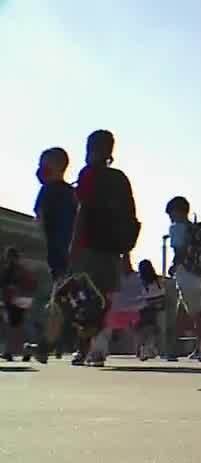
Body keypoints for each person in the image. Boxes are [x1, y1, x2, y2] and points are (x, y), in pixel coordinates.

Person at [69, 130, 141, 368]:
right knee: (105, 298)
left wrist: (74, 245)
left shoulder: (88, 174)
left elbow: (83, 210)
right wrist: (126, 251)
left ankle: (83, 348)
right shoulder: (120, 178)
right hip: (113, 247)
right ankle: (99, 343)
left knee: (84, 299)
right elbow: (129, 216)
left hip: (90, 244)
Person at [33, 147, 77, 362]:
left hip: (59, 256)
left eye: (43, 163)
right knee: (63, 303)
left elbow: (39, 222)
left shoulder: (48, 192)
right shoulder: (71, 193)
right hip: (72, 254)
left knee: (57, 303)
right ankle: (52, 343)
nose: (40, 169)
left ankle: (46, 345)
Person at [165, 196, 201, 362]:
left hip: (188, 275)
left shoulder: (177, 229)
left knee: (195, 313)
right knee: (186, 313)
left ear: (176, 212)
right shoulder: (195, 228)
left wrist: (173, 267)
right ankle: (197, 347)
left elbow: (179, 252)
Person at [2, 248, 36, 361]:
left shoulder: (10, 270)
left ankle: (10, 351)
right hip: (24, 300)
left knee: (12, 327)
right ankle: (24, 350)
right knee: (19, 326)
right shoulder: (23, 269)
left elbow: (5, 285)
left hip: (15, 300)